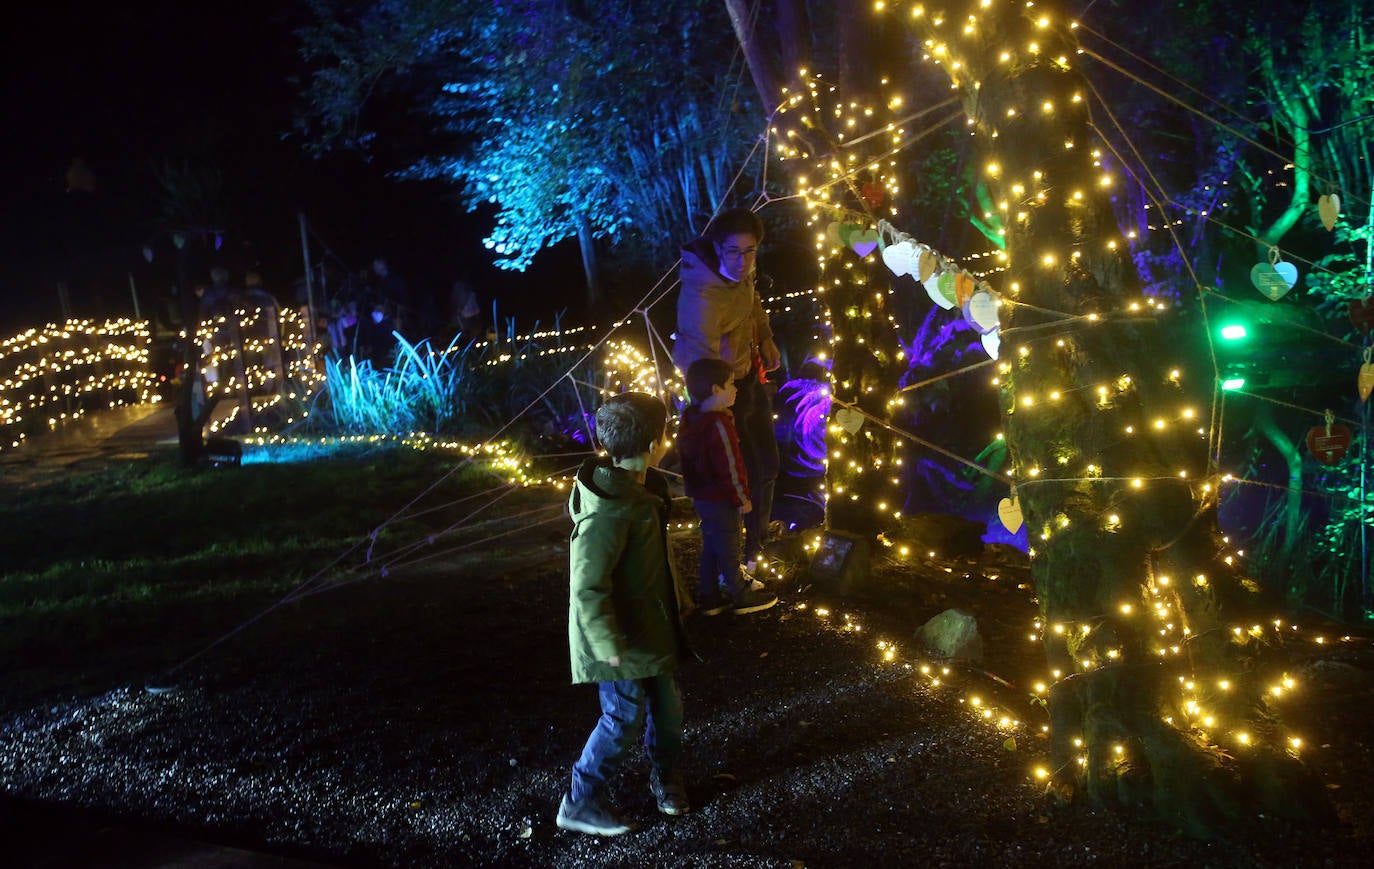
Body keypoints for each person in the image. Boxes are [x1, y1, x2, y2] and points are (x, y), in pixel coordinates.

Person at [557, 392, 695, 836]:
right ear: (657, 442)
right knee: (622, 719)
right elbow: (587, 585)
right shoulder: (609, 510)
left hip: (653, 629)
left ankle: (667, 778)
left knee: (668, 710)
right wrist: (606, 644)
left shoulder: (644, 491)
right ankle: (579, 801)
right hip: (621, 640)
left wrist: (681, 601)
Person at [673, 208, 782, 579]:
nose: (743, 261)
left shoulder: (743, 272)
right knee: (734, 479)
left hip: (746, 379)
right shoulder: (702, 297)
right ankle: (732, 565)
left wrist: (765, 337)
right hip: (720, 395)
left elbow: (752, 301)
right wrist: (714, 406)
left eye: (750, 251)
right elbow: (697, 360)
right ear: (717, 248)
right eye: (734, 252)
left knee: (765, 466)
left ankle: (753, 551)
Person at [678, 357, 778, 616]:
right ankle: (739, 593)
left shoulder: (691, 420)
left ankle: (710, 595)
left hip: (703, 498)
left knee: (712, 544)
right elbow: (730, 465)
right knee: (731, 546)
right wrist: (741, 497)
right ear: (715, 390)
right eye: (731, 384)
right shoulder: (718, 424)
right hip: (722, 499)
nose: (736, 389)